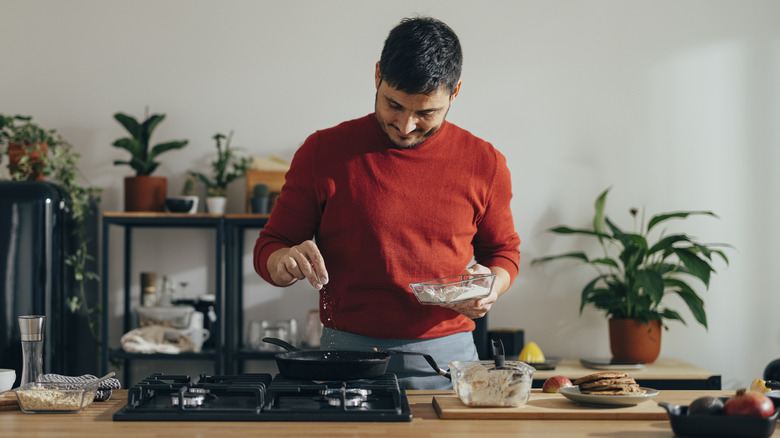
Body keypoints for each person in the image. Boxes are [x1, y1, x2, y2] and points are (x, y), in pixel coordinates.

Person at [254, 16, 520, 389]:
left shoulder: (485, 162)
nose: (406, 125)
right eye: (393, 105)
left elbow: (504, 252)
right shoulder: (323, 152)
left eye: (426, 113)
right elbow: (271, 245)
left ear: (455, 92)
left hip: (449, 359)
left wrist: (493, 284)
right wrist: (284, 261)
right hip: (346, 357)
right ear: (378, 74)